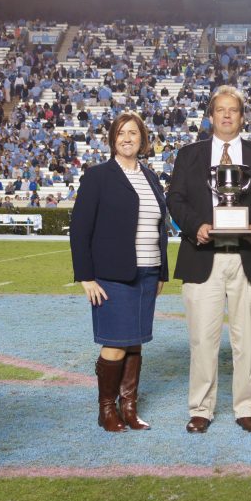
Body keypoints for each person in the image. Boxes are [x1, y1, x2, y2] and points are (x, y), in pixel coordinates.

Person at [168, 86, 251, 434]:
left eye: (233, 109)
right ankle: (201, 409)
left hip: (248, 257)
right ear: (211, 116)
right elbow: (175, 199)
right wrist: (196, 227)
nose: (227, 115)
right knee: (203, 340)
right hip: (203, 256)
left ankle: (246, 407)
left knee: (247, 340)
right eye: (220, 109)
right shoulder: (189, 155)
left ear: (242, 116)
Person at [69, 111, 169, 433]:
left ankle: (129, 408)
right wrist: (86, 277)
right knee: (115, 344)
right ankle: (106, 409)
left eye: (133, 133)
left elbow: (160, 228)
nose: (127, 138)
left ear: (143, 139)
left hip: (148, 272)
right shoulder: (98, 176)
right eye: (121, 133)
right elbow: (79, 229)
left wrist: (162, 272)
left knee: (135, 342)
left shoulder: (151, 177)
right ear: (113, 139)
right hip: (113, 275)